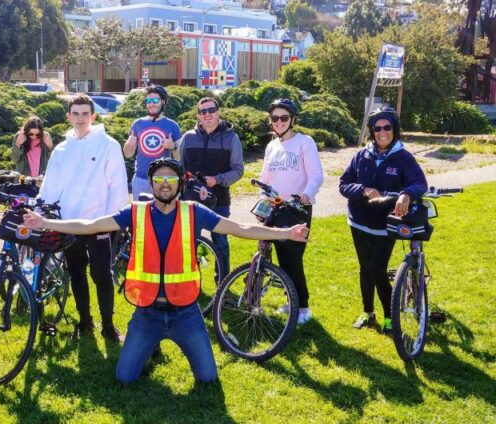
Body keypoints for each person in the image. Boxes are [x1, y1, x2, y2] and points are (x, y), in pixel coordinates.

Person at [22, 158, 309, 383]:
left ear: (179, 185)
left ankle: (154, 348)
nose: (165, 184)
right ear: (151, 184)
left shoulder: (194, 211)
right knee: (124, 377)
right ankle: (149, 346)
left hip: (186, 313)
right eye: (159, 179)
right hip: (146, 312)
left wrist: (286, 232)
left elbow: (240, 228)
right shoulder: (135, 212)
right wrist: (46, 223)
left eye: (171, 179)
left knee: (208, 378)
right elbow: (91, 225)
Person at [38, 94, 129, 342]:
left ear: (93, 116)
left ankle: (108, 325)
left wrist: (113, 221)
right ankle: (85, 321)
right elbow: (50, 186)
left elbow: (118, 185)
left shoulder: (108, 144)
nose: (80, 118)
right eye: (75, 114)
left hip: (100, 223)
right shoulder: (62, 149)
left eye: (85, 114)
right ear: (68, 116)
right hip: (70, 224)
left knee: (102, 274)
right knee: (76, 272)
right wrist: (40, 211)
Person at [339, 106, 428, 333]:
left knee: (378, 269)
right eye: (377, 128)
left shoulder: (403, 157)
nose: (382, 132)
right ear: (372, 131)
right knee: (364, 269)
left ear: (394, 129)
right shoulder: (361, 155)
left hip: (385, 225)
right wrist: (363, 189)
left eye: (387, 127)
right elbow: (343, 184)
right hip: (358, 222)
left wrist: (406, 194)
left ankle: (390, 317)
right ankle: (368, 313)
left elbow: (420, 183)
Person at [259, 99, 324, 325]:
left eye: (283, 118)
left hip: (297, 208)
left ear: (293, 120)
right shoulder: (272, 146)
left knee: (293, 258)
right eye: (274, 118)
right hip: (276, 208)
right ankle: (291, 301)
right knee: (280, 259)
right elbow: (265, 179)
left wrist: (307, 193)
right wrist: (262, 201)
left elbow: (316, 174)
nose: (278, 122)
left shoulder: (305, 142)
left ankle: (303, 307)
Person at [178, 97, 244, 280]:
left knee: (221, 242)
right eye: (202, 111)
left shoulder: (231, 138)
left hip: (220, 200)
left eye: (211, 110)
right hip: (190, 200)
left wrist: (217, 179)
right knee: (189, 242)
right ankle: (189, 282)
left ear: (218, 111)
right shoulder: (188, 137)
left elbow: (238, 170)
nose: (207, 115)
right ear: (198, 115)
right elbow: (179, 167)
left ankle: (223, 283)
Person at [123, 85, 182, 198]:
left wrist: (172, 146)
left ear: (163, 102)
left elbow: (180, 157)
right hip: (141, 179)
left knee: (164, 214)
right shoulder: (137, 124)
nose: (151, 104)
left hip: (164, 180)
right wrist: (129, 144)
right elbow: (127, 154)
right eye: (148, 100)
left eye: (155, 100)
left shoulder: (172, 125)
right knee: (140, 215)